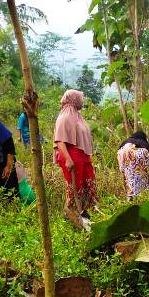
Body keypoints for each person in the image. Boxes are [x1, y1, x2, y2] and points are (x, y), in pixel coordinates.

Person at [53, 89, 98, 224]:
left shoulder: (77, 116)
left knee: (86, 185)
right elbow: (59, 140)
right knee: (75, 188)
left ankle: (82, 214)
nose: (82, 101)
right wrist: (68, 159)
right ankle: (72, 216)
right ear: (74, 99)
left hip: (82, 157)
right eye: (80, 98)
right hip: (72, 157)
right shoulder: (65, 116)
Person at [117, 131, 149, 199]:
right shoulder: (144, 142)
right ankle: (143, 194)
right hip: (141, 154)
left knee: (128, 176)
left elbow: (119, 152)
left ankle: (130, 195)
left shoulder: (126, 141)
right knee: (143, 175)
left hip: (123, 152)